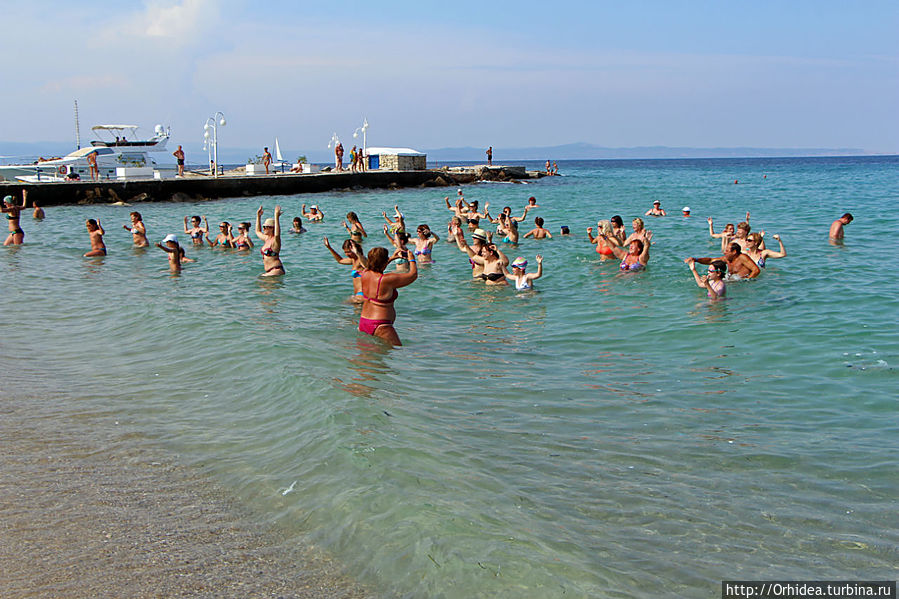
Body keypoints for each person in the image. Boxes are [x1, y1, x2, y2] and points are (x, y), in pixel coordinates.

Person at [358, 245, 418, 345]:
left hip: (364, 322)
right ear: (384, 262)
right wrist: (412, 259)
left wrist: (392, 258)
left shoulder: (365, 273)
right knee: (398, 351)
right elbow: (413, 275)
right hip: (380, 325)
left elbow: (376, 266)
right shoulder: (386, 279)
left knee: (368, 358)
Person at [324, 236, 368, 303]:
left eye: (349, 252)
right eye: (345, 252)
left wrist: (357, 253)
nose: (347, 254)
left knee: (340, 307)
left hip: (362, 294)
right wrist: (329, 248)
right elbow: (340, 260)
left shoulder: (362, 259)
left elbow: (367, 266)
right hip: (358, 294)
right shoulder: (353, 260)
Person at [691, 242, 761, 279]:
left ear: (734, 252)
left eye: (727, 251)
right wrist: (696, 260)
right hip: (733, 281)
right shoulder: (727, 259)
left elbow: (756, 270)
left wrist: (747, 280)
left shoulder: (742, 258)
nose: (724, 252)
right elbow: (711, 260)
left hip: (743, 284)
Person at [255, 205, 285, 276]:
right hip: (269, 271)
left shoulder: (275, 241)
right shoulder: (266, 239)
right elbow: (257, 231)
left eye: (265, 227)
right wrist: (258, 216)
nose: (264, 229)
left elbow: (277, 234)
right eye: (263, 227)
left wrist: (276, 217)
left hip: (276, 270)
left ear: (272, 228)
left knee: (258, 281)